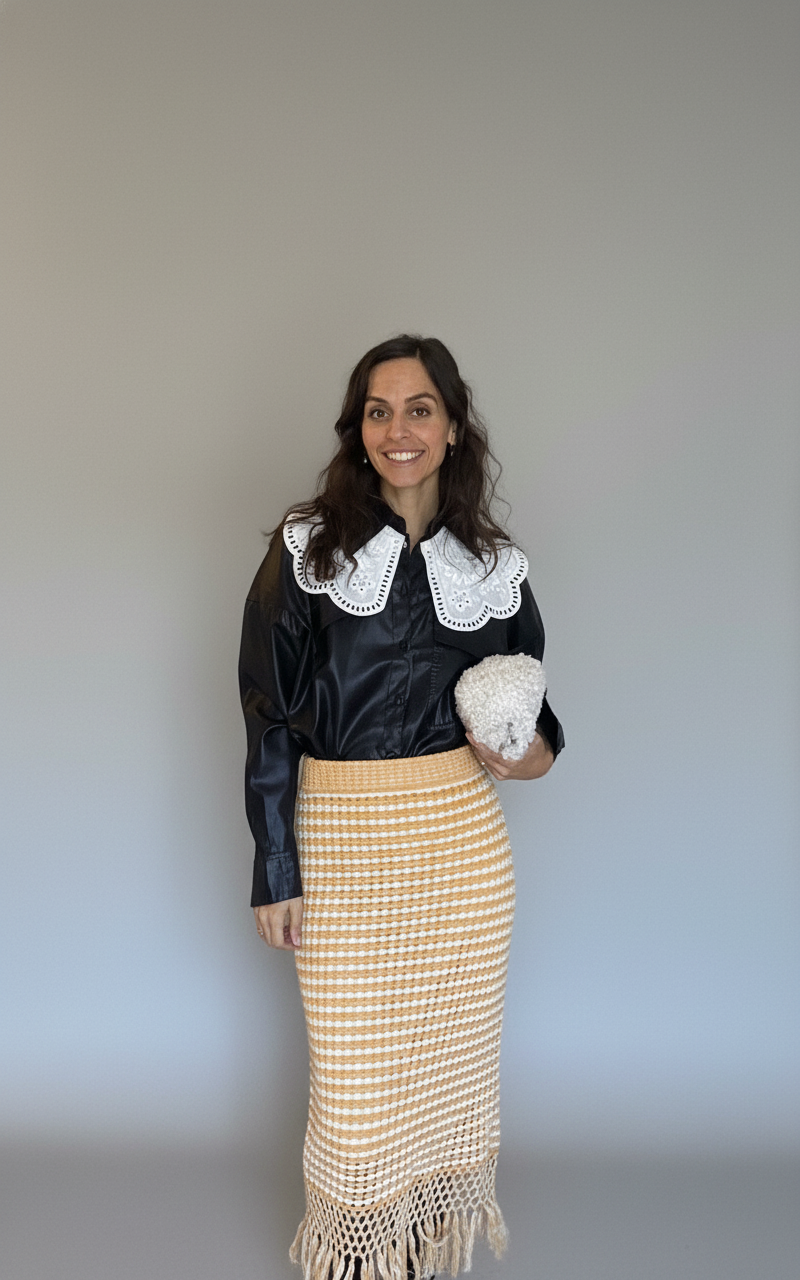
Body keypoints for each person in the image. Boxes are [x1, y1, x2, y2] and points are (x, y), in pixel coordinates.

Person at [239, 335, 564, 1280]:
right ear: (359, 431)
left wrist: (522, 753)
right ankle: (361, 1257)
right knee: (357, 1080)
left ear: (453, 426)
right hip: (342, 836)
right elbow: (267, 714)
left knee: (448, 1072)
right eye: (378, 411)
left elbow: (535, 722)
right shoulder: (308, 551)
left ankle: (422, 1250)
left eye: (419, 408)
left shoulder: (493, 568)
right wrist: (273, 869)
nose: (398, 429)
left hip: (460, 845)